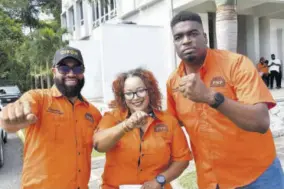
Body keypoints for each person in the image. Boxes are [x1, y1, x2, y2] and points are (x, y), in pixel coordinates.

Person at [167, 11, 284, 189]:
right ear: (174, 44)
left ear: (205, 37)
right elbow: (172, 126)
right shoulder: (173, 83)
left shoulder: (236, 64)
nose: (186, 40)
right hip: (212, 181)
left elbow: (261, 122)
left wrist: (210, 97)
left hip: (258, 177)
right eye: (179, 37)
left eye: (193, 33)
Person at [0, 47, 102, 189]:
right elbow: (14, 120)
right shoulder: (39, 99)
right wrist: (9, 119)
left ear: (83, 72)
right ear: (54, 71)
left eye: (77, 69)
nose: (71, 74)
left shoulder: (93, 113)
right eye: (64, 68)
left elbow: (104, 143)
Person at [94, 68, 191, 189]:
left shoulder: (168, 121)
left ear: (150, 92)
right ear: (123, 96)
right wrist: (126, 125)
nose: (135, 97)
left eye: (140, 91)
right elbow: (99, 145)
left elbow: (182, 159)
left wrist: (160, 180)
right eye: (129, 93)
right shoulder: (112, 117)